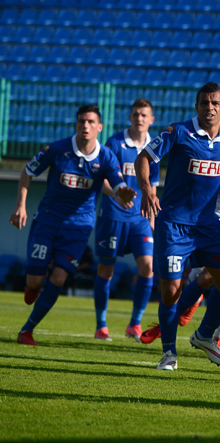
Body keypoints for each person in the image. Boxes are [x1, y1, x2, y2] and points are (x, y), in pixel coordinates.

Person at [135, 83, 220, 371]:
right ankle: (169, 353)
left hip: (208, 227)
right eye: (204, 103)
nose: (209, 107)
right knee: (171, 291)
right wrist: (147, 190)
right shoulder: (178, 132)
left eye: (215, 103)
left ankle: (205, 335)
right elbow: (143, 158)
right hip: (174, 225)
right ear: (196, 106)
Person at [10, 105, 133, 345]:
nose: (85, 125)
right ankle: (33, 285)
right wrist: (20, 206)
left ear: (99, 127)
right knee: (35, 282)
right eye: (81, 121)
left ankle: (27, 330)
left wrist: (122, 192)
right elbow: (27, 171)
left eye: (90, 122)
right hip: (47, 221)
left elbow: (117, 182)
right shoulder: (58, 149)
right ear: (76, 124)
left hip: (78, 228)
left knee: (59, 277)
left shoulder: (106, 156)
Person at [93, 99, 158, 341]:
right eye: (135, 114)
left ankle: (135, 324)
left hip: (140, 219)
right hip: (113, 215)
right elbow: (102, 179)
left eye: (144, 115)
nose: (139, 118)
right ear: (130, 117)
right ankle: (101, 325)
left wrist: (152, 216)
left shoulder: (154, 146)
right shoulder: (115, 143)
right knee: (106, 269)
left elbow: (153, 185)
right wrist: (116, 196)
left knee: (148, 268)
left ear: (151, 119)